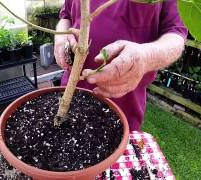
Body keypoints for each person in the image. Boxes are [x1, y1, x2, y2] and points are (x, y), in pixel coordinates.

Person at [54, 0, 187, 131]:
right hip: (69, 92)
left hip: (122, 106)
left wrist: (146, 56)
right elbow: (65, 16)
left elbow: (176, 34)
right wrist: (61, 37)